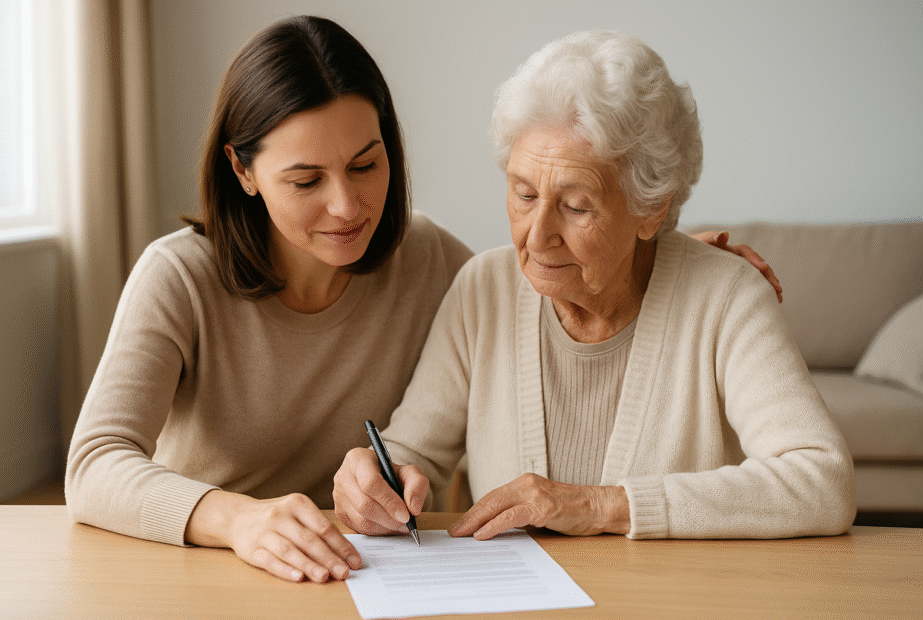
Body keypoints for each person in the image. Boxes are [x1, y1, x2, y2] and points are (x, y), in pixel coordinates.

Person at [66, 16, 782, 583]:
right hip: (212, 562)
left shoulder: (431, 259)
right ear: (243, 171)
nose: (348, 206)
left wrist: (666, 254)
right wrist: (237, 521)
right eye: (306, 180)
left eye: (366, 164)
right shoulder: (178, 277)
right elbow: (95, 463)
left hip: (359, 567)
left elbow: (540, 280)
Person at [333, 30, 855, 541]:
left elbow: (822, 481)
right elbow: (412, 456)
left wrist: (603, 505)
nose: (537, 237)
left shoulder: (727, 297)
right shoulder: (483, 289)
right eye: (523, 193)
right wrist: (375, 482)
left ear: (651, 209)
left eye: (576, 206)